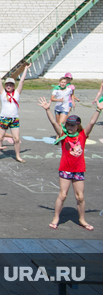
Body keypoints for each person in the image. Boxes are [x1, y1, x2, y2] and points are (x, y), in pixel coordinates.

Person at [38, 96, 101, 231]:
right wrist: (48, 110)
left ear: (77, 125)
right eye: (68, 125)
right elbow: (54, 124)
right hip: (65, 169)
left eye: (72, 125)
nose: (70, 127)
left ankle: (82, 219)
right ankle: (56, 218)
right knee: (63, 195)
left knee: (80, 196)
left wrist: (98, 110)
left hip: (78, 169)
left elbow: (91, 123)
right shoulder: (63, 135)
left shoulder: (82, 135)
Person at [0, 62, 29, 163]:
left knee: (16, 139)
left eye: (11, 85)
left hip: (14, 119)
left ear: (13, 86)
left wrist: (25, 69)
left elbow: (22, 81)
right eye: (7, 84)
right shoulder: (2, 93)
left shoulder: (17, 93)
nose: (8, 86)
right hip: (4, 118)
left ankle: (18, 156)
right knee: (0, 137)